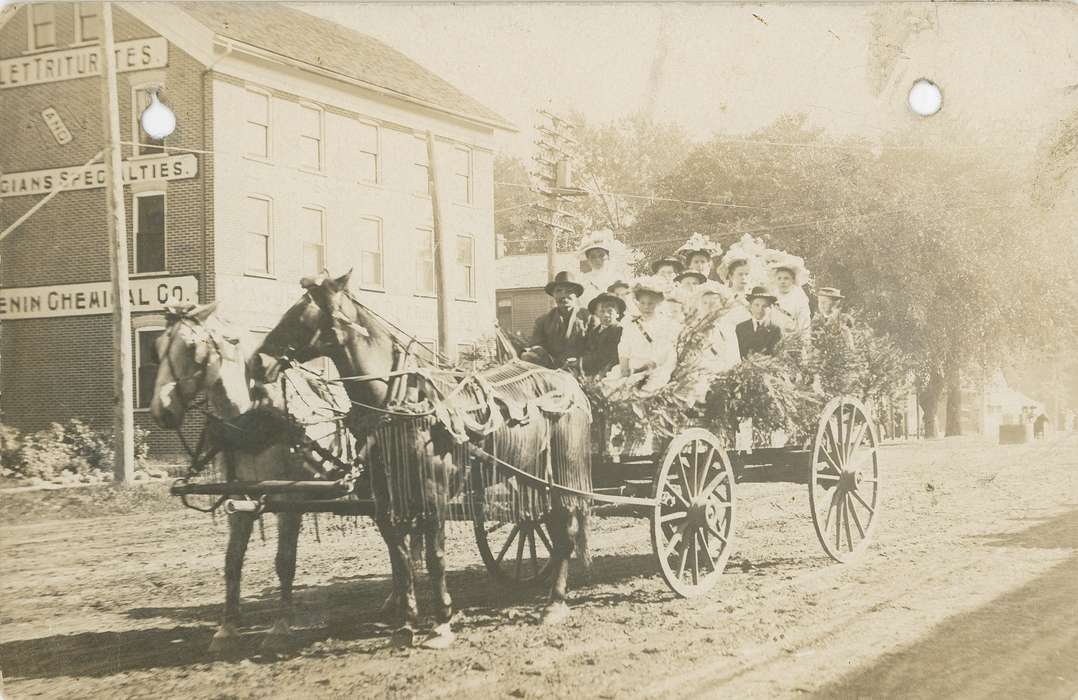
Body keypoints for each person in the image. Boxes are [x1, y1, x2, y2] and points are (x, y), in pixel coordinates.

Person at [616, 277, 681, 393]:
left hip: (655, 366)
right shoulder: (631, 323)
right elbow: (624, 346)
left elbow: (665, 349)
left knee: (648, 387)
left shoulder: (664, 324)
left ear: (658, 303)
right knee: (615, 386)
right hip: (633, 364)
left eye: (651, 303)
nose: (646, 307)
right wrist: (624, 367)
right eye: (643, 303)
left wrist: (649, 365)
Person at [521, 270, 588, 369]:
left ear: (576, 295)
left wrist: (579, 363)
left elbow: (595, 349)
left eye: (569, 291)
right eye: (558, 291)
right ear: (553, 295)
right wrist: (537, 351)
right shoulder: (543, 321)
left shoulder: (589, 318)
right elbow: (536, 345)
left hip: (582, 370)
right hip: (553, 372)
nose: (563, 296)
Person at [581, 292, 625, 377]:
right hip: (590, 373)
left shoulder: (620, 331)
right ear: (596, 313)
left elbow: (615, 358)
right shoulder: (594, 332)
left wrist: (602, 373)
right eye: (602, 311)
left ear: (617, 313)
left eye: (610, 311)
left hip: (610, 373)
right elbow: (588, 351)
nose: (606, 315)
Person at [577, 229, 623, 308]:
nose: (597, 259)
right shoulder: (583, 281)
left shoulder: (617, 278)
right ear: (588, 260)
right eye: (593, 257)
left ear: (608, 257)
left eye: (601, 255)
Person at [736, 286, 781, 359]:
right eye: (756, 305)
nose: (760, 309)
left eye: (764, 306)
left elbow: (775, 356)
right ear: (750, 306)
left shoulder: (775, 329)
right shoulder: (740, 328)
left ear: (770, 308)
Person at [770, 259, 811, 339]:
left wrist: (797, 334)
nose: (782, 281)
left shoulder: (799, 297)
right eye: (779, 278)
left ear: (792, 280)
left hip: (793, 337)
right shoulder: (772, 295)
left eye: (786, 278)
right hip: (773, 337)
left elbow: (805, 321)